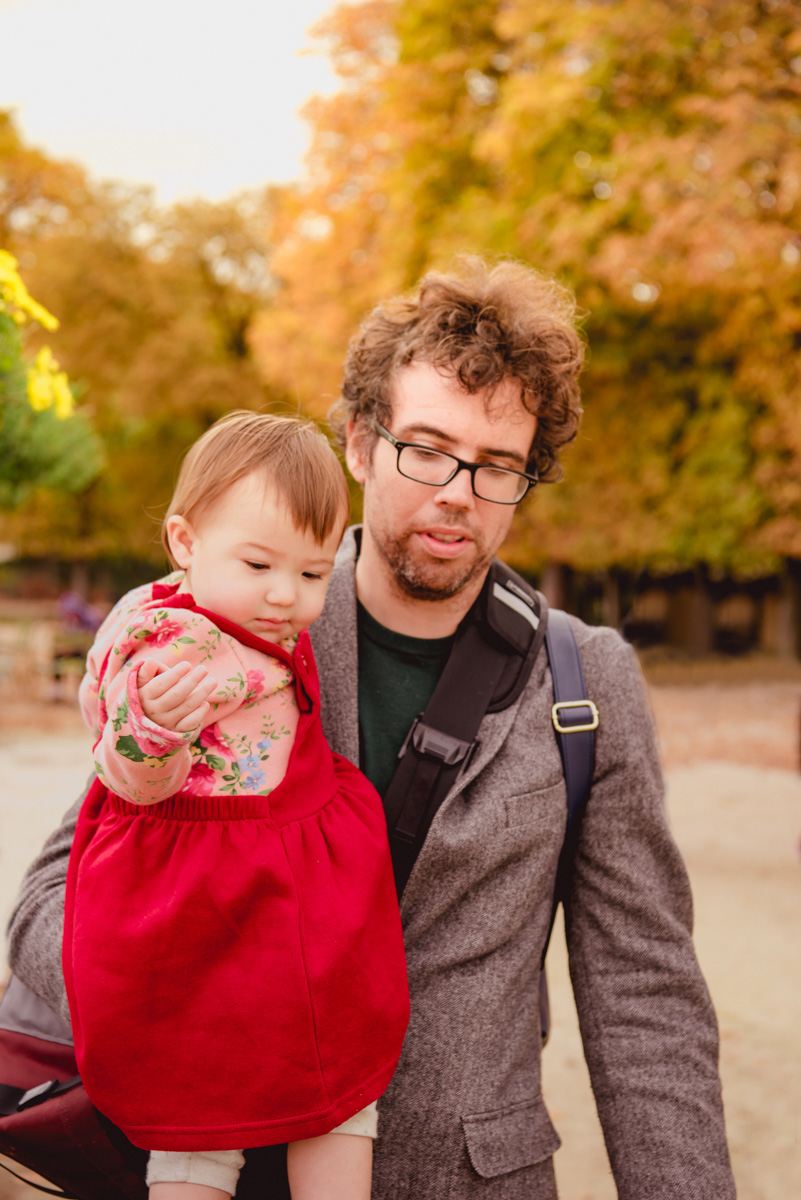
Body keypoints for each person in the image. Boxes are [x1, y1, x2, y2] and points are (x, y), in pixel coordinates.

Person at [6, 257, 736, 1198]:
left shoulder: (587, 682)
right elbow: (45, 912)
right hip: (216, 1162)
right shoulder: (218, 633)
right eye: (426, 449)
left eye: (498, 466)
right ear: (358, 443)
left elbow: (645, 997)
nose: (458, 491)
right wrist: (203, 991)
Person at [61, 412, 409, 1200]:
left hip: (298, 886)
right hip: (199, 900)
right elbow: (129, 777)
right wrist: (152, 730)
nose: (285, 596)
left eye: (314, 574)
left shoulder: (254, 615)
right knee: (196, 1094)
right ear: (184, 543)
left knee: (340, 1094)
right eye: (258, 564)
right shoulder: (171, 647)